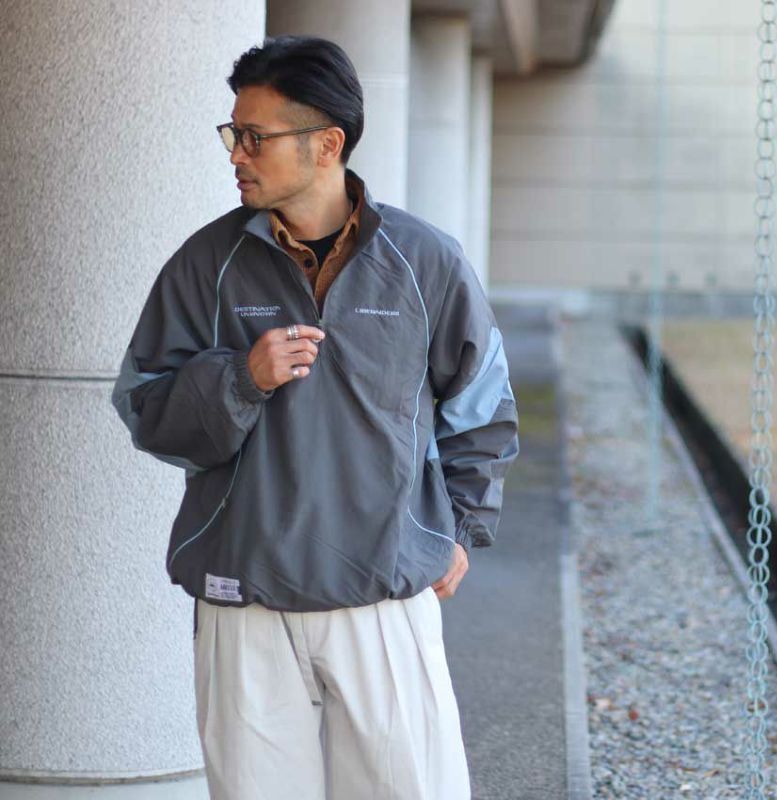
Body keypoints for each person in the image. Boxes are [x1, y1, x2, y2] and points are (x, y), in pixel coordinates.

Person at [112, 35, 518, 800]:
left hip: (384, 595)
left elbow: (483, 407)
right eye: (234, 134)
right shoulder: (205, 264)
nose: (237, 154)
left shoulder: (425, 261)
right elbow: (144, 407)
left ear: (326, 144)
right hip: (243, 597)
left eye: (255, 136)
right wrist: (240, 379)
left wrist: (460, 528)